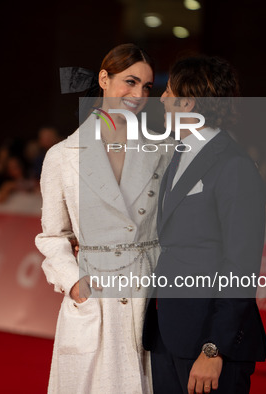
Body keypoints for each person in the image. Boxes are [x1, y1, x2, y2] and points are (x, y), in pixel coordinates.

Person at [35, 43, 171, 393]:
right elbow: (53, 236)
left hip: (148, 295)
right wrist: (74, 283)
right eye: (130, 82)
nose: (139, 94)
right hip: (95, 297)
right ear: (104, 80)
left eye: (146, 87)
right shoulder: (62, 156)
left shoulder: (162, 150)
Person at [142, 56, 266, 394]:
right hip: (167, 333)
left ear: (188, 101)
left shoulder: (234, 165)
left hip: (209, 344)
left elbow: (241, 265)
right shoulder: (176, 155)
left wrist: (215, 348)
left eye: (168, 91)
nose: (162, 99)